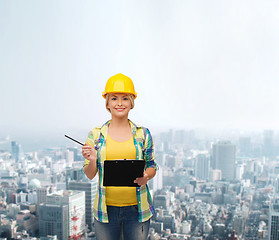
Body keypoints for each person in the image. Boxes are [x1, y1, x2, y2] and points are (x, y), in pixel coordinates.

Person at [82, 73, 158, 240]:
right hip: (106, 210)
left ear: (131, 102)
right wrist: (93, 160)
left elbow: (152, 165)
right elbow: (89, 174)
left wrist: (146, 176)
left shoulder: (143, 134)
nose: (119, 103)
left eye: (125, 98)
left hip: (137, 210)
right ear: (107, 103)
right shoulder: (96, 135)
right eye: (114, 98)